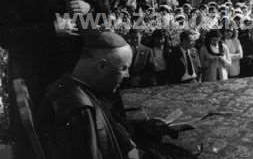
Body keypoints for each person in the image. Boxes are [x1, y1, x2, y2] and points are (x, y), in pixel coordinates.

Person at [0, 0, 103, 158]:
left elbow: (101, 22)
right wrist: (50, 30)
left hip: (81, 82)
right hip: (40, 85)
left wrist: (91, 10)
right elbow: (5, 35)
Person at [39, 31, 184, 159]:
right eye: (124, 68)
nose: (127, 75)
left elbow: (111, 130)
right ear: (102, 66)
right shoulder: (78, 109)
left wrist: (147, 127)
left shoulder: (76, 87)